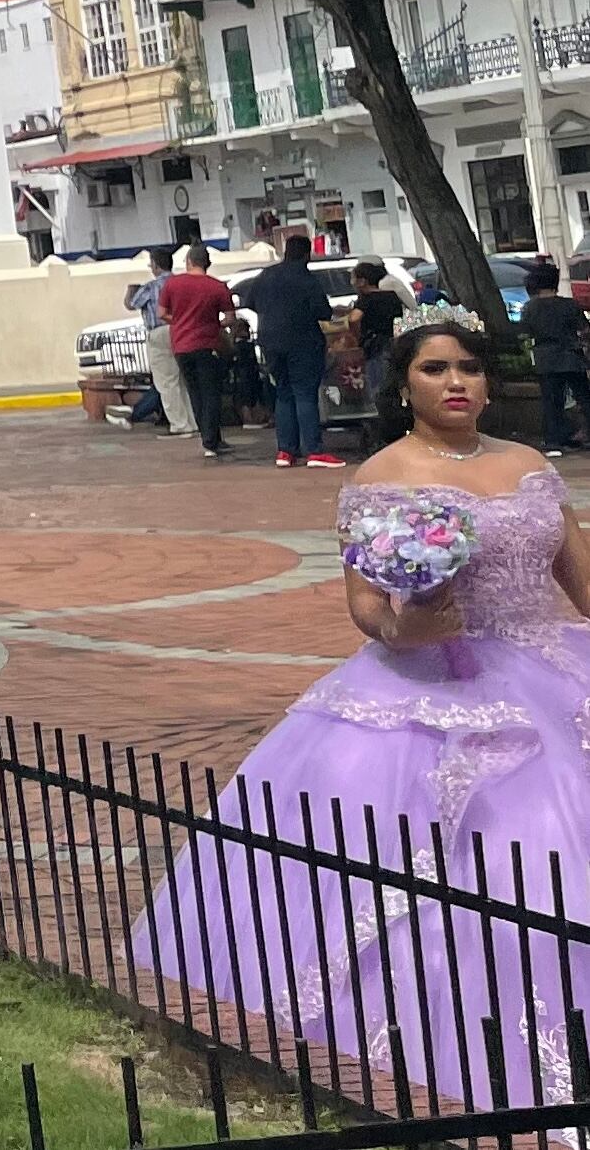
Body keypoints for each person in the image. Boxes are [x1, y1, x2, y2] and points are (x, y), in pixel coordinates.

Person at [133, 310, 590, 1100]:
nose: (456, 384)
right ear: (403, 384)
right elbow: (366, 605)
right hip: (428, 683)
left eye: (470, 370)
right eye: (435, 369)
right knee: (513, 864)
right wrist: (408, 623)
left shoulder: (529, 464)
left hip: (551, 670)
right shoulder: (380, 477)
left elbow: (579, 579)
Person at [248, 233, 339, 471]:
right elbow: (323, 312)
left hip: (270, 342)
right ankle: (314, 451)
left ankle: (285, 451)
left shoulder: (266, 275)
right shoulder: (306, 278)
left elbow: (250, 302)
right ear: (306, 254)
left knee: (283, 393)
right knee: (305, 394)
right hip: (303, 342)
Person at [158, 241, 237, 458]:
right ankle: (212, 440)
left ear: (188, 261)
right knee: (211, 392)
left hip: (181, 346)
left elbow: (162, 313)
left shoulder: (172, 285)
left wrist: (181, 320)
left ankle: (208, 436)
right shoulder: (217, 287)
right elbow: (230, 318)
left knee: (195, 393)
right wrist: (213, 324)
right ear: (207, 264)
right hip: (207, 344)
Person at [525, 259, 590, 456]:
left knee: (552, 402)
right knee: (584, 398)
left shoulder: (531, 308)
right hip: (572, 356)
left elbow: (525, 332)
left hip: (546, 358)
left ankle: (554, 441)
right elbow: (584, 329)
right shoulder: (569, 305)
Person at [134, 247, 186, 436]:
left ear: (155, 265)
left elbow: (133, 303)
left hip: (159, 331)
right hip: (181, 329)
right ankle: (191, 422)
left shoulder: (151, 287)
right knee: (182, 379)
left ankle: (179, 425)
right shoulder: (181, 283)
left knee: (166, 381)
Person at [349, 257, 404, 375]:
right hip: (395, 343)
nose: (352, 282)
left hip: (375, 346)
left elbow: (353, 318)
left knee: (377, 382)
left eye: (354, 278)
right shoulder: (392, 296)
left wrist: (356, 336)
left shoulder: (366, 299)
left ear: (363, 281)